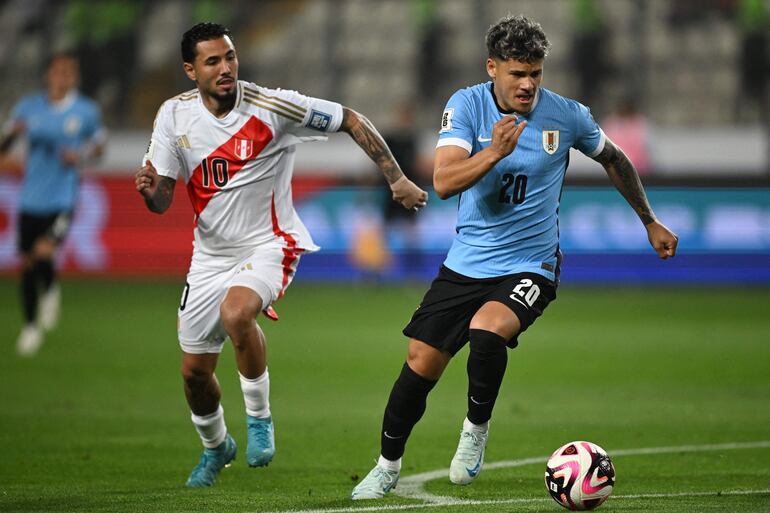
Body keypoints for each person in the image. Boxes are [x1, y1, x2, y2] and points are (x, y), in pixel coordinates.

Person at [351, 14, 678, 500]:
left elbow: (614, 157)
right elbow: (442, 182)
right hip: (466, 263)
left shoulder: (566, 115)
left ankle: (475, 430)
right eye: (517, 74)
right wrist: (494, 152)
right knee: (419, 363)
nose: (528, 84)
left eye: (536, 73)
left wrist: (648, 219)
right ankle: (386, 466)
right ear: (492, 69)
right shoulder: (465, 106)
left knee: (488, 330)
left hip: (532, 263)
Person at [134, 22, 427, 488]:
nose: (227, 67)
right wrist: (151, 192)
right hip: (209, 256)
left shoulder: (273, 106)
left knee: (237, 314)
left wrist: (396, 179)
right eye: (213, 61)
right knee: (194, 374)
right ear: (191, 70)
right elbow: (163, 197)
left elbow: (351, 118)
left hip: (271, 243)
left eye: (230, 57)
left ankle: (259, 421)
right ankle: (216, 448)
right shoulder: (173, 116)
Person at [0, 51, 105, 357]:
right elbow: (4, 145)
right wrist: (12, 138)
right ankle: (32, 324)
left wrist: (81, 157)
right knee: (29, 263)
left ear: (75, 77)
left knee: (44, 250)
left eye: (69, 72)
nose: (63, 77)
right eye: (58, 71)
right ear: (48, 75)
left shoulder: (85, 111)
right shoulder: (28, 107)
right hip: (31, 197)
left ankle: (48, 292)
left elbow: (99, 148)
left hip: (63, 197)